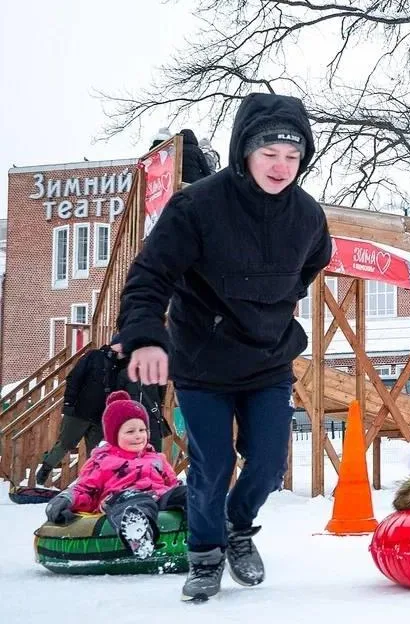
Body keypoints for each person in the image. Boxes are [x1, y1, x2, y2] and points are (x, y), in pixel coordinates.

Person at [116, 92, 332, 602]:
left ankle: (238, 528)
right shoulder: (197, 207)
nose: (281, 167)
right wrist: (146, 334)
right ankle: (206, 554)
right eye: (269, 154)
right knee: (211, 464)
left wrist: (282, 300)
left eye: (292, 156)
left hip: (268, 359)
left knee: (266, 463)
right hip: (203, 363)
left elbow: (312, 263)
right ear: (245, 151)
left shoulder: (306, 216)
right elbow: (150, 276)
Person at [44, 391, 186, 559]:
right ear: (114, 435)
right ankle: (138, 534)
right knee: (136, 501)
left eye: (142, 430)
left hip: (158, 496)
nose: (138, 436)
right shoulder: (103, 461)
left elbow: (172, 484)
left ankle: (211, 526)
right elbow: (85, 488)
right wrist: (67, 499)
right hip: (120, 498)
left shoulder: (157, 458)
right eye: (130, 431)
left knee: (189, 493)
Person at [35, 341, 127, 486]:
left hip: (101, 417)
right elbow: (74, 378)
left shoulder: (124, 367)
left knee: (96, 453)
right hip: (79, 411)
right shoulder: (93, 356)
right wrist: (69, 404)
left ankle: (91, 484)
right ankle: (45, 470)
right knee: (65, 443)